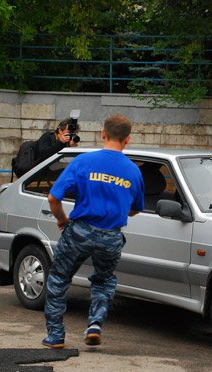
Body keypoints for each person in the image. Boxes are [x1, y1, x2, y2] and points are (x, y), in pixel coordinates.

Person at [41, 114, 144, 349]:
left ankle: (56, 336)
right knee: (104, 280)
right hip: (111, 236)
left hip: (79, 230)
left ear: (102, 134)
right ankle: (95, 324)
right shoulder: (133, 171)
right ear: (127, 140)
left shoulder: (82, 162)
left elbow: (53, 197)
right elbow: (135, 210)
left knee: (58, 279)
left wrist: (62, 220)